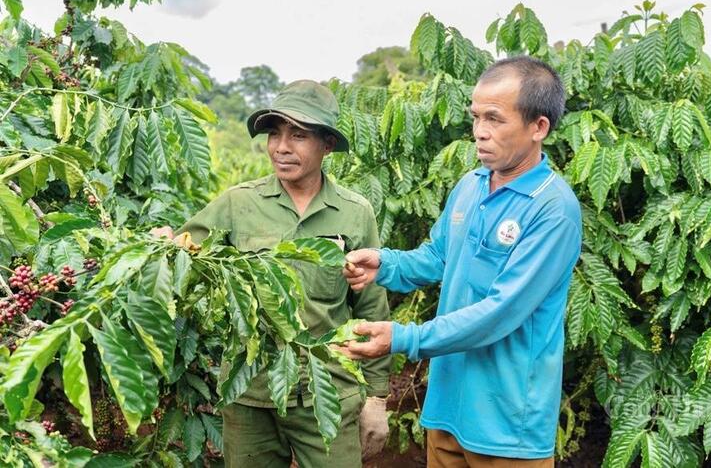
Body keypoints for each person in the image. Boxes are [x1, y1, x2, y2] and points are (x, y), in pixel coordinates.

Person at [341, 57, 582, 467]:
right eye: (475, 118)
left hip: (507, 425)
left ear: (538, 127)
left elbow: (500, 312)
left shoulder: (552, 209)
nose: (480, 133)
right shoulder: (470, 186)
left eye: (495, 119)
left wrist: (403, 338)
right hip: (448, 408)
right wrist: (386, 264)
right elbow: (438, 256)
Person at [153, 80, 391, 467]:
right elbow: (187, 252)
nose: (281, 147)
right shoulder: (238, 203)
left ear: (327, 144)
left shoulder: (355, 211)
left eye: (298, 135)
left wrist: (378, 397)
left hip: (326, 392)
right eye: (274, 134)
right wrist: (165, 247)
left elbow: (371, 305)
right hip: (251, 394)